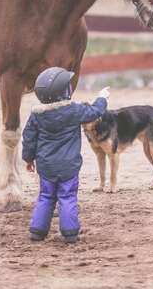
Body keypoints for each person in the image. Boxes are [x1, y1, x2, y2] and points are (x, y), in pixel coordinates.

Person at [22, 66, 109, 243]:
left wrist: (28, 158)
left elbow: (28, 137)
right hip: (69, 165)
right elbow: (95, 112)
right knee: (67, 196)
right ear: (65, 92)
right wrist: (101, 98)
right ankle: (70, 233)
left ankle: (37, 231)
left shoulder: (37, 115)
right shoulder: (74, 110)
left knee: (46, 196)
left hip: (46, 166)